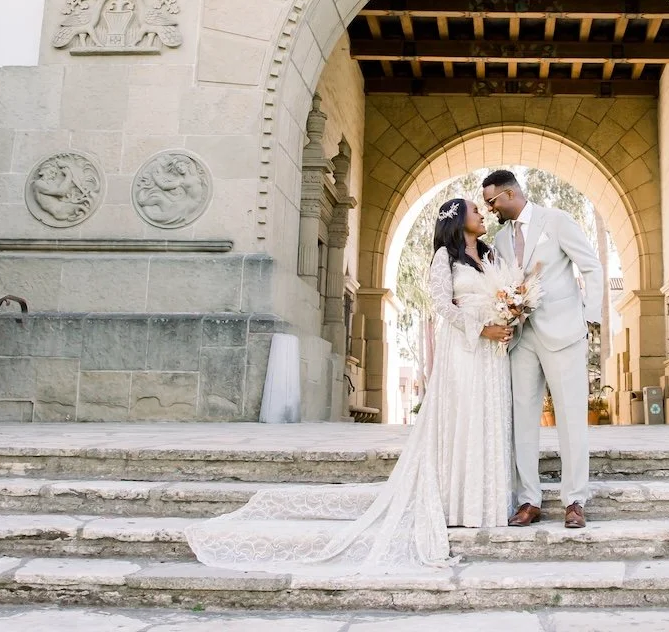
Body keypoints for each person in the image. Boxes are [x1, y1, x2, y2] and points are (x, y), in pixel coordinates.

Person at [184, 197, 513, 571]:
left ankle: (485, 499)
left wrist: (508, 313)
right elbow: (442, 304)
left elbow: (501, 292)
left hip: (492, 352)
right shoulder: (445, 257)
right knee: (463, 417)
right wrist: (481, 328)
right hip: (466, 346)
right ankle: (458, 501)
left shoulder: (489, 256)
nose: (482, 213)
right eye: (475, 209)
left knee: (487, 418)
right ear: (457, 220)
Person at [482, 169, 603, 530]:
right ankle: (528, 500)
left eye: (491, 202)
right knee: (522, 419)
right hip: (522, 338)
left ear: (508, 195)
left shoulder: (557, 220)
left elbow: (591, 267)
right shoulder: (500, 239)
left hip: (564, 331)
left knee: (570, 417)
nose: (489, 209)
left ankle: (575, 500)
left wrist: (589, 316)